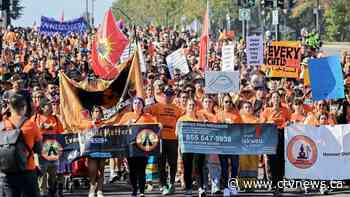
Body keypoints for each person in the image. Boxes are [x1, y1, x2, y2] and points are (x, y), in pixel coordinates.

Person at [2, 93, 42, 196]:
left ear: (9, 107)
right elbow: (38, 149)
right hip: (27, 171)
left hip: (6, 172)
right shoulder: (31, 125)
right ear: (24, 107)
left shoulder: (2, 125)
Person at [118, 97, 157, 197]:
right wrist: (126, 125)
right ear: (132, 105)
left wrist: (159, 126)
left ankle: (142, 192)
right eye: (135, 103)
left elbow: (156, 127)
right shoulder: (127, 116)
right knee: (132, 169)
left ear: (143, 105)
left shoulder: (148, 116)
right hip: (130, 146)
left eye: (139, 103)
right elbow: (118, 128)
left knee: (141, 169)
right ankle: (134, 189)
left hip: (143, 147)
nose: (137, 104)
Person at [147, 87, 182, 195]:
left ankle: (171, 183)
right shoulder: (157, 106)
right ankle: (162, 185)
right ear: (164, 95)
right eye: (167, 94)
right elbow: (145, 112)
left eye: (171, 94)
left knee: (172, 163)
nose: (169, 96)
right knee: (161, 163)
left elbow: (182, 120)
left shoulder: (178, 109)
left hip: (173, 139)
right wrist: (155, 122)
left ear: (173, 96)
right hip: (160, 138)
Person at [32, 98, 64, 197]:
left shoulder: (55, 118)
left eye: (51, 105)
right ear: (42, 107)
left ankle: (52, 190)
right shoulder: (35, 118)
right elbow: (30, 133)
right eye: (48, 105)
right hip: (40, 146)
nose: (51, 107)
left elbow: (60, 133)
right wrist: (40, 129)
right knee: (42, 171)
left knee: (53, 171)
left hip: (52, 146)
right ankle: (43, 193)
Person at [260, 91, 290, 194]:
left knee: (281, 162)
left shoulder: (285, 110)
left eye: (278, 97)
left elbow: (290, 121)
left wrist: (289, 123)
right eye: (274, 97)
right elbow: (262, 123)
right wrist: (269, 122)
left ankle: (280, 184)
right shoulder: (266, 111)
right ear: (271, 99)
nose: (276, 99)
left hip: (282, 136)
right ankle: (273, 184)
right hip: (270, 136)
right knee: (271, 161)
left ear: (280, 99)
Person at [216, 94, 241, 195]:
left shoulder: (236, 114)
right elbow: (214, 129)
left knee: (235, 166)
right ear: (222, 103)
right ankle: (226, 188)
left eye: (230, 102)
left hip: (234, 144)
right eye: (226, 101)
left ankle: (233, 186)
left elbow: (241, 129)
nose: (228, 104)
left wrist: (233, 126)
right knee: (224, 167)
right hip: (222, 145)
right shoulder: (218, 114)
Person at [175, 99, 199, 196]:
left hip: (197, 148)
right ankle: (188, 189)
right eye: (189, 105)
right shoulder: (181, 119)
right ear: (186, 107)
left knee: (198, 168)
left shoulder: (199, 119)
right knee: (187, 168)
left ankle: (201, 188)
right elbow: (176, 134)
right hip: (185, 148)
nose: (191, 106)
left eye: (193, 105)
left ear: (196, 107)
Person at [87, 106, 106, 197]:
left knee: (101, 170)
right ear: (92, 113)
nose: (97, 113)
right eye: (95, 111)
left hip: (103, 150)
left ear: (101, 114)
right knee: (93, 170)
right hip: (91, 151)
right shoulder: (88, 124)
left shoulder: (104, 123)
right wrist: (92, 125)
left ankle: (100, 190)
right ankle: (92, 189)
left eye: (99, 111)